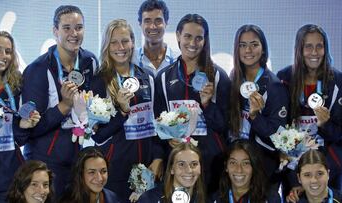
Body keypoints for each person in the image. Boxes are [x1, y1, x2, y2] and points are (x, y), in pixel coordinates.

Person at [21, 5, 98, 196]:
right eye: (67, 28)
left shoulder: (90, 61)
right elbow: (32, 129)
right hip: (43, 163)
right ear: (55, 31)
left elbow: (93, 106)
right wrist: (64, 106)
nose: (74, 33)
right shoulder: (37, 70)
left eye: (79, 27)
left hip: (75, 160)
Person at [154, 13, 230, 194]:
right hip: (176, 163)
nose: (193, 43)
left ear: (205, 40)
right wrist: (165, 142)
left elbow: (225, 125)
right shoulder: (164, 77)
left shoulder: (218, 76)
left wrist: (207, 105)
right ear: (178, 36)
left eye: (199, 38)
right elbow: (157, 123)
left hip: (211, 163)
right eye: (188, 36)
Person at [90, 19, 162, 202]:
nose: (120, 47)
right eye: (114, 42)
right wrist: (122, 111)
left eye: (125, 41)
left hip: (144, 168)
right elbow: (98, 136)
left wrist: (157, 158)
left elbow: (156, 125)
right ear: (107, 46)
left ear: (133, 42)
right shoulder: (99, 81)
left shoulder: (147, 78)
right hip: (114, 170)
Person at [277, 24, 342, 198]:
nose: (314, 52)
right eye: (308, 46)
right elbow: (278, 127)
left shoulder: (338, 81)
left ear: (325, 49)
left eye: (319, 46)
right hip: (292, 168)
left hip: (329, 169)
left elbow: (340, 136)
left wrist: (324, 125)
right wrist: (297, 178)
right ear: (299, 49)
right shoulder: (284, 78)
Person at [0, 31, 40, 203]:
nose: (4, 56)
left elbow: (20, 140)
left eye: (8, 51)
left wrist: (24, 125)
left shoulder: (16, 89)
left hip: (9, 178)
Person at [229, 24, 288, 187]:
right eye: (242, 45)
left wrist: (255, 117)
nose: (248, 50)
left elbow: (279, 136)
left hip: (263, 165)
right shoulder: (234, 77)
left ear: (263, 49)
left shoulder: (275, 86)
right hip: (236, 160)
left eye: (254, 44)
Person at [210, 139, 281, 203]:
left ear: (254, 166)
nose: (239, 170)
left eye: (245, 163)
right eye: (233, 163)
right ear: (226, 166)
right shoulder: (214, 199)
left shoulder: (270, 198)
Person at [138, 143, 206, 203]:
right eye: (181, 164)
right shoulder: (149, 199)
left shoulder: (206, 199)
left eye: (194, 164)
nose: (189, 170)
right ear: (172, 169)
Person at [132, 0, 179, 76]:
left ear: (166, 23)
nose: (152, 26)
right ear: (140, 24)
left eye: (158, 21)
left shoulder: (178, 59)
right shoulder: (132, 59)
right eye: (147, 21)